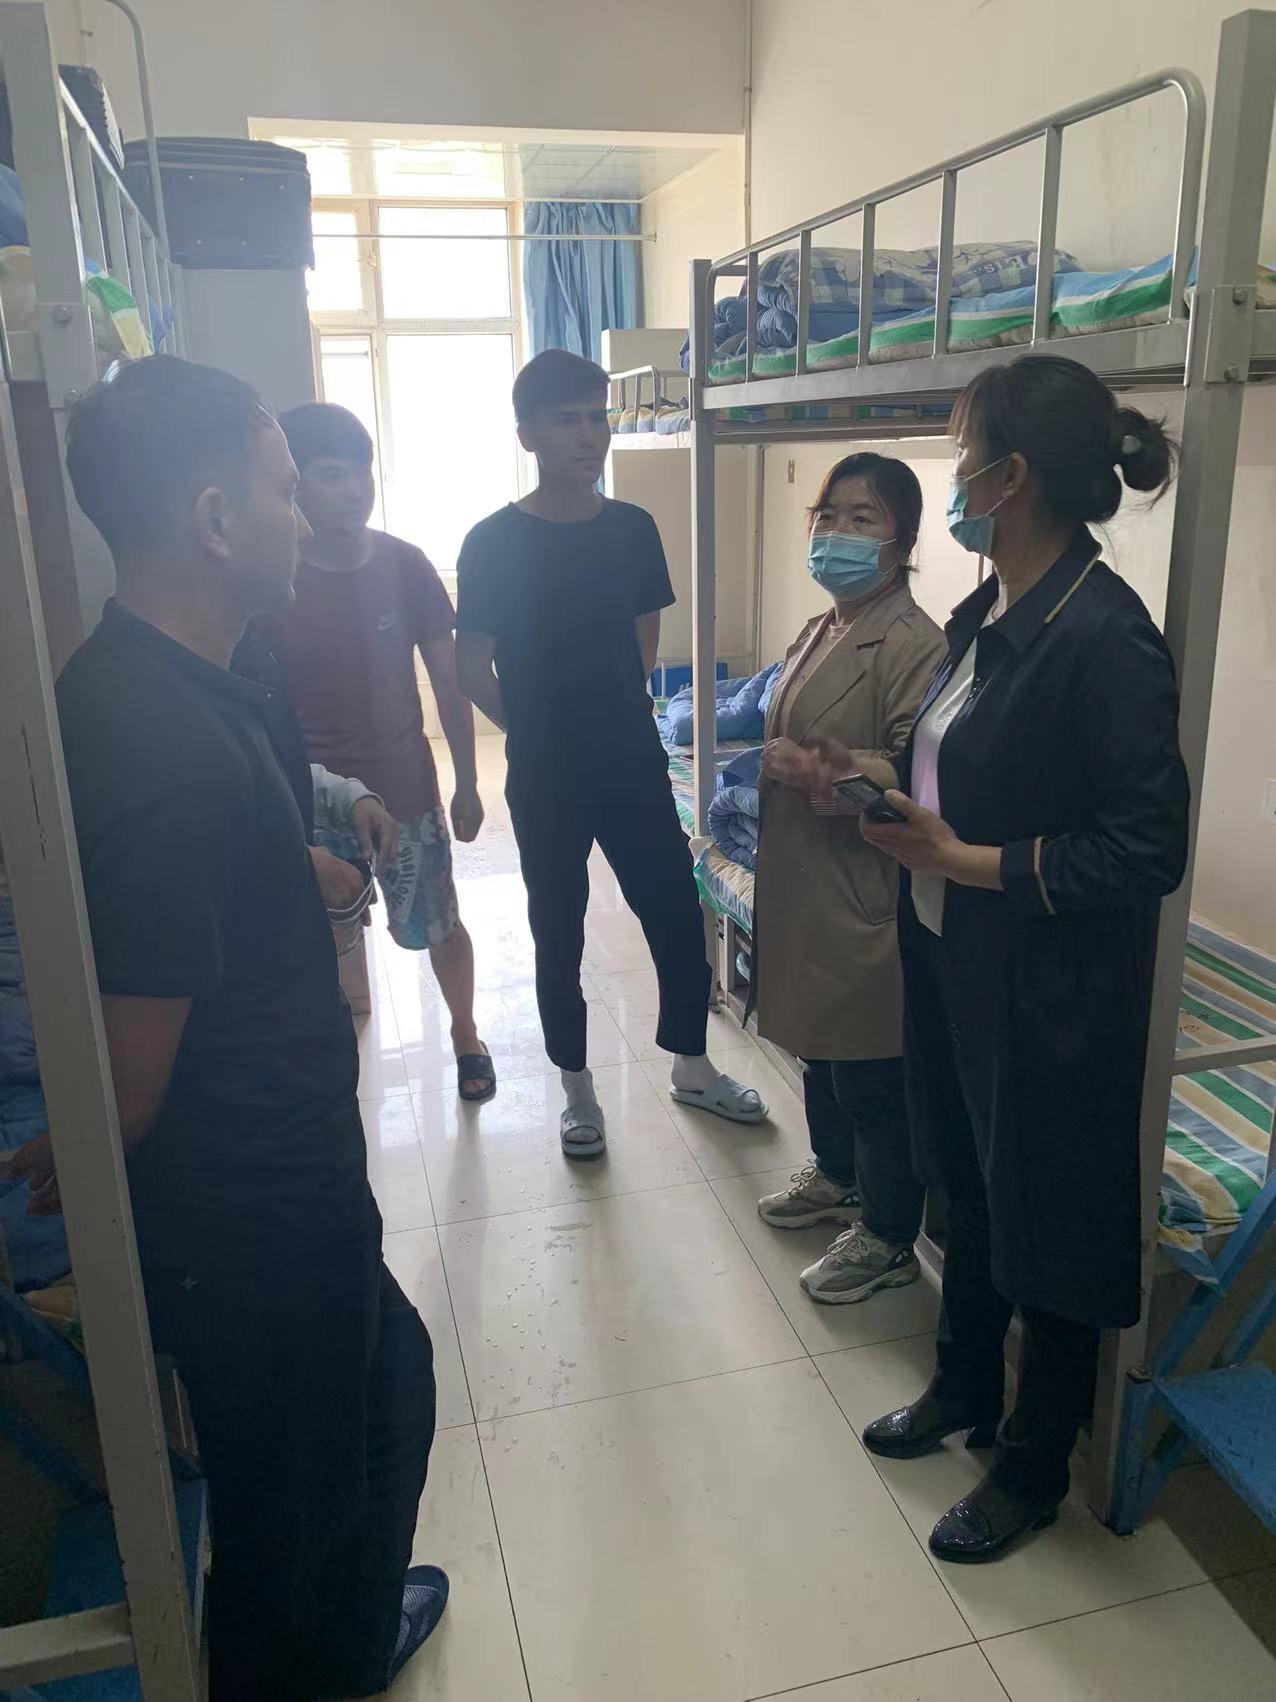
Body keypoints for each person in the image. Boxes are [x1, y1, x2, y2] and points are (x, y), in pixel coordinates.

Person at [21, 355, 448, 1697]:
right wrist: (72, 1150)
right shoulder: (157, 748)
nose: (305, 516)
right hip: (250, 1216)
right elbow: (130, 1083)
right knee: (288, 1521)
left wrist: (293, 867)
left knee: (390, 1394)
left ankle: (344, 1638)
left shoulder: (196, 673)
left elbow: (217, 863)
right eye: (279, 489)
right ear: (212, 519)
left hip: (293, 1169)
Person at [857, 353, 1189, 1563]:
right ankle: (961, 1386)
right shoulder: (987, 614)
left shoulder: (1103, 636)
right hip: (954, 955)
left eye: (962, 454)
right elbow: (966, 768)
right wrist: (894, 802)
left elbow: (1146, 846)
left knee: (1043, 1212)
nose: (952, 478)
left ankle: (1033, 1464)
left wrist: (970, 859)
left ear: (1012, 478)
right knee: (967, 1181)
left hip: (1047, 987)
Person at [454, 348, 767, 1158]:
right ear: (527, 434)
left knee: (673, 910)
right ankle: (577, 1088)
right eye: (568, 420)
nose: (589, 435)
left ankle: (691, 1065)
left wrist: (608, 722)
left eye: (598, 418)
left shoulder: (632, 530)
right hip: (546, 772)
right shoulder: (491, 542)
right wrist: (534, 730)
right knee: (557, 928)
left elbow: (641, 650)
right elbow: (469, 665)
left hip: (629, 757)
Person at [261, 403, 494, 1103]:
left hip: (406, 792)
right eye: (333, 475)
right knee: (317, 940)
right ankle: (332, 1049)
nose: (354, 489)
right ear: (296, 484)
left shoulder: (405, 565)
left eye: (361, 472)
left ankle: (465, 1034)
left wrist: (467, 783)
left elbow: (449, 683)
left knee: (439, 923)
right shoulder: (273, 581)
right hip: (311, 800)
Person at [753, 454, 945, 1302]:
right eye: (828, 516)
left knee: (869, 1072)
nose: (837, 533)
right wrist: (785, 756)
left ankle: (890, 1234)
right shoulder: (823, 626)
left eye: (863, 519)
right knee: (820, 1050)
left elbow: (916, 771)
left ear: (902, 542)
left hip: (862, 884)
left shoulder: (914, 642)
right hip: (806, 877)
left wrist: (827, 770)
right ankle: (837, 1177)